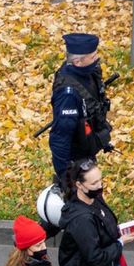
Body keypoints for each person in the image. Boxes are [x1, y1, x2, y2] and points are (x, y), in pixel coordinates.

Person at [48, 32, 113, 183]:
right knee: (87, 201)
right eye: (92, 57)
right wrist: (66, 176)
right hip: (75, 158)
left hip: (88, 148)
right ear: (77, 61)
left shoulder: (89, 73)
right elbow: (60, 137)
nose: (96, 59)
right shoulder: (68, 94)